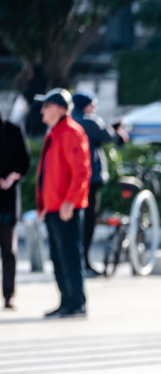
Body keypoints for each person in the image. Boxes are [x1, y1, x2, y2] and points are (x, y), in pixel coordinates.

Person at [35, 88, 91, 318]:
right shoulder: (55, 132)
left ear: (59, 108)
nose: (41, 111)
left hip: (65, 208)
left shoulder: (70, 132)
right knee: (58, 258)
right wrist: (42, 206)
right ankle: (66, 301)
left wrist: (70, 201)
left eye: (46, 106)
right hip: (53, 207)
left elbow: (81, 171)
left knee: (69, 256)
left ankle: (77, 303)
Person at [72, 91, 127, 274]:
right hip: (89, 179)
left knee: (76, 222)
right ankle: (84, 262)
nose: (95, 107)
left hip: (74, 180)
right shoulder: (90, 121)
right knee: (88, 221)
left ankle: (77, 262)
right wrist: (116, 129)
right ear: (85, 105)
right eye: (93, 103)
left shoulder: (71, 120)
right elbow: (108, 136)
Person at [0, 107, 31, 310]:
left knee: (8, 250)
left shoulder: (13, 130)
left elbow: (24, 162)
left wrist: (12, 177)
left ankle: (8, 295)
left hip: (7, 202)